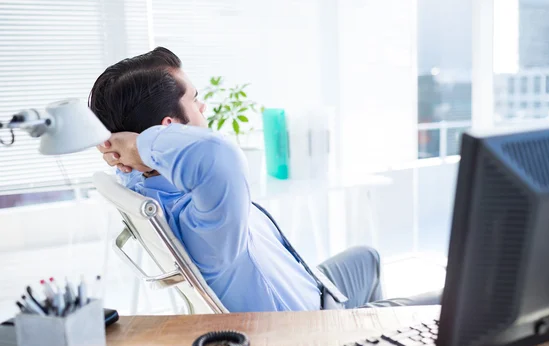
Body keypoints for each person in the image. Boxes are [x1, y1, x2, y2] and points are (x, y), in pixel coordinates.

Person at [90, 47, 439, 313]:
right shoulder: (197, 217)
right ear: (169, 129)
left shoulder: (140, 181)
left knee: (368, 257)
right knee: (451, 304)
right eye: (195, 101)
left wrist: (133, 150)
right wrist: (140, 144)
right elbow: (218, 156)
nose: (205, 107)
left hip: (314, 290)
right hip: (316, 326)